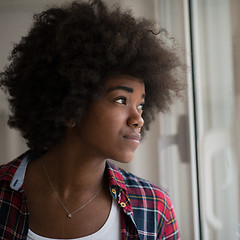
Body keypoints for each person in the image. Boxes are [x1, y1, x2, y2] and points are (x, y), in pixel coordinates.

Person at [0, 0, 184, 239]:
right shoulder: (3, 195)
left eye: (141, 105)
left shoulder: (154, 207)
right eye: (121, 100)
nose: (138, 119)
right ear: (70, 102)